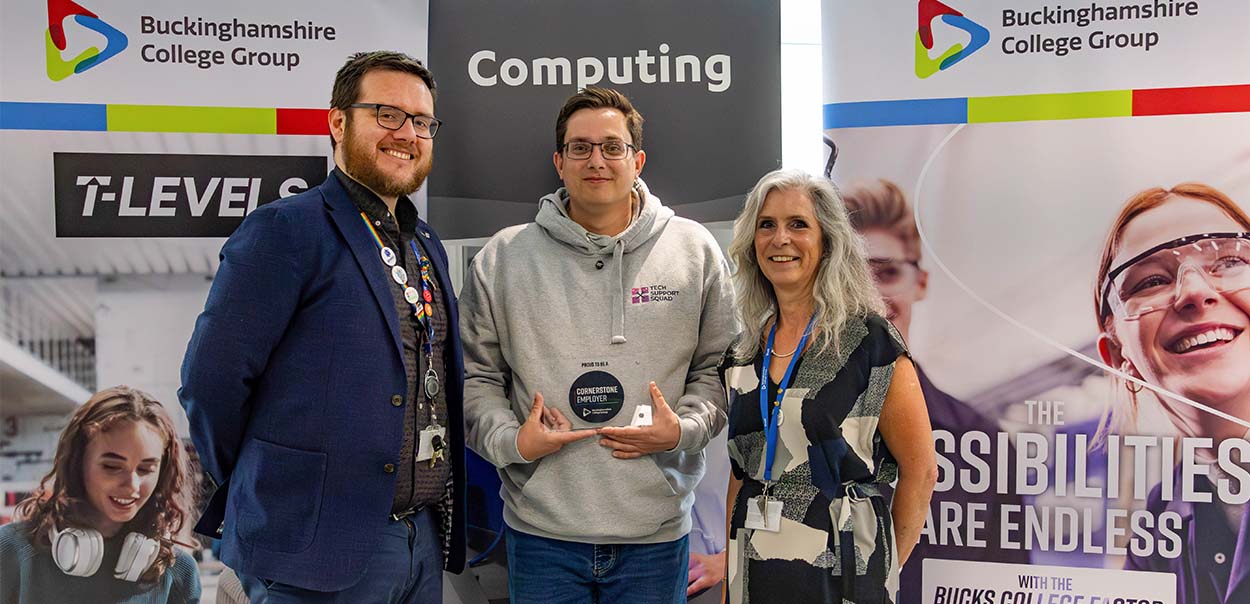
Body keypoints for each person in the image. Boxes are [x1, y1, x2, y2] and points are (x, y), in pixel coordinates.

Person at [179, 50, 466, 603]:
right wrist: (269, 482)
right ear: (338, 122)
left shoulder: (426, 244)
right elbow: (210, 382)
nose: (407, 134)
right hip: (311, 551)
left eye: (421, 122)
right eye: (387, 114)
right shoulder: (285, 229)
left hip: (420, 542)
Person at [459, 86, 736, 603]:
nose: (597, 160)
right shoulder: (503, 258)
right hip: (541, 535)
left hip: (655, 535)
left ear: (637, 161)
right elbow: (477, 380)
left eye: (612, 147)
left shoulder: (694, 250)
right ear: (559, 162)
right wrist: (514, 442)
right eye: (580, 148)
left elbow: (718, 370)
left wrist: (682, 430)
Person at [721, 169, 937, 603]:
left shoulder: (870, 343)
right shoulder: (742, 354)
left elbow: (922, 471)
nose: (780, 238)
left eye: (798, 224)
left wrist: (883, 571)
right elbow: (742, 473)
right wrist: (731, 580)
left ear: (828, 242)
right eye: (767, 225)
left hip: (844, 575)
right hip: (756, 570)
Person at [841, 180, 1030, 602]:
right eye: (855, 274)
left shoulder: (981, 440)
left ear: (920, 282)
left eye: (888, 273)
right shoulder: (798, 417)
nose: (872, 295)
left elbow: (1005, 584)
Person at [1093, 183, 1250, 604]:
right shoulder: (1159, 522)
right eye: (1152, 281)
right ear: (1117, 355)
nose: (1194, 291)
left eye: (1230, 261)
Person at [0, 386, 200, 604]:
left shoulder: (178, 572)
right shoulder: (11, 550)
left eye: (146, 469)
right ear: (77, 463)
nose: (132, 486)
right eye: (112, 467)